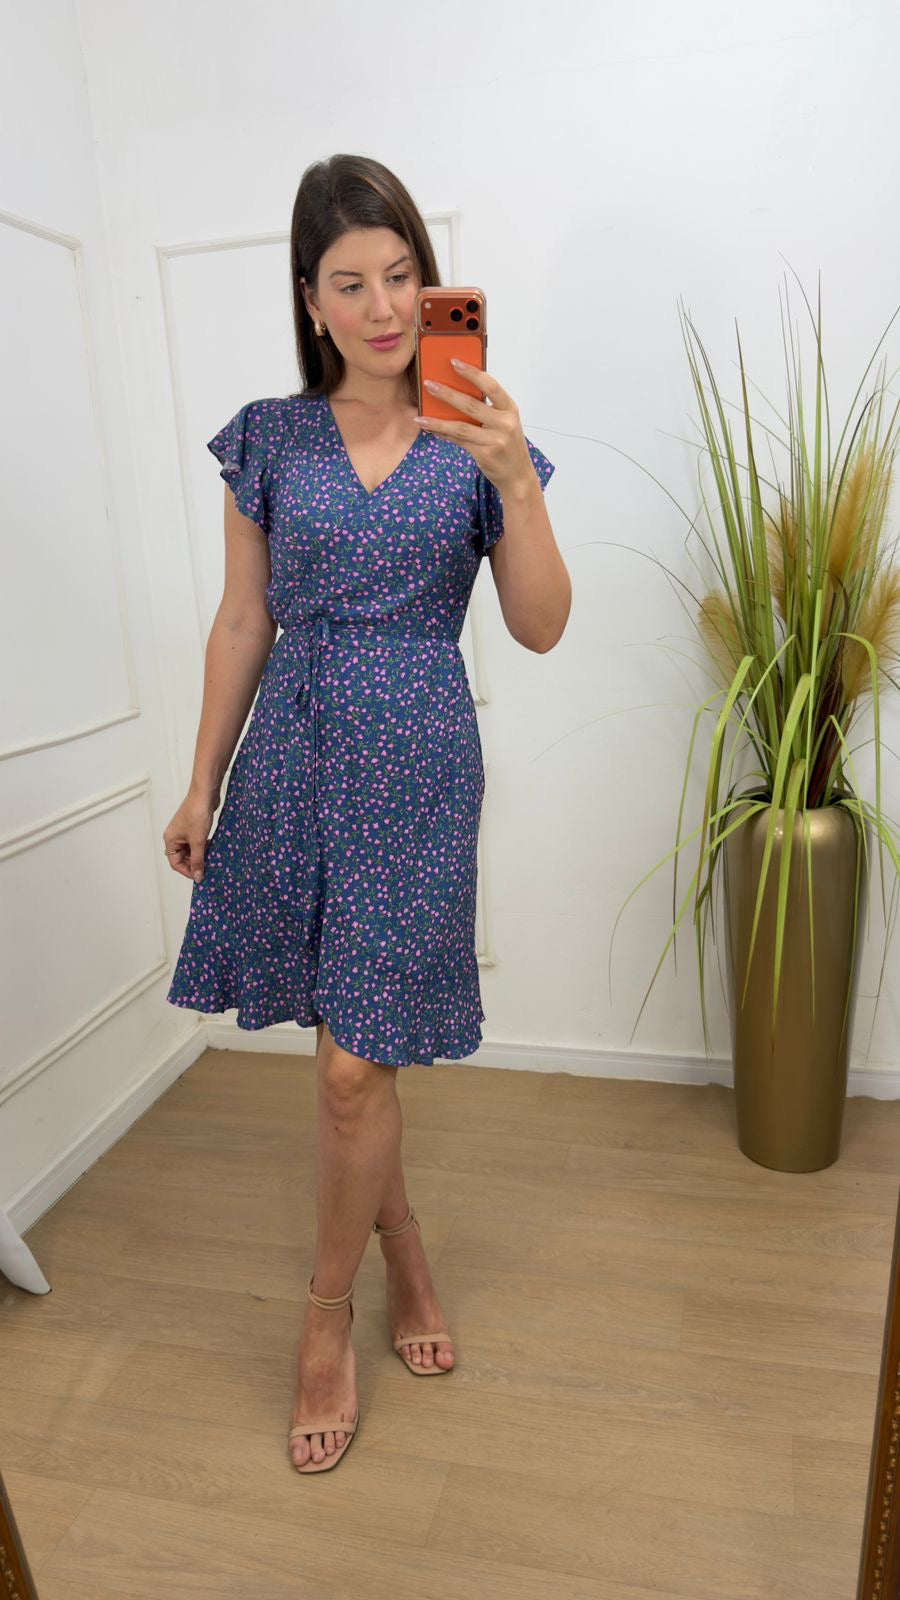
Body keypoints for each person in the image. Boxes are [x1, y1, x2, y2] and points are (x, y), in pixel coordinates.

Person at [162, 153, 571, 1474]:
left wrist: (515, 481)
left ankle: (325, 1315)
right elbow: (242, 621)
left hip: (418, 769)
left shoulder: (476, 437)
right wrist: (203, 779)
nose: (386, 307)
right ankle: (402, 1244)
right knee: (353, 1054)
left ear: (430, 283)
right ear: (311, 300)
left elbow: (542, 627)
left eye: (403, 275)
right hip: (292, 758)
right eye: (352, 283)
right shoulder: (268, 440)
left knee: (353, 1064)